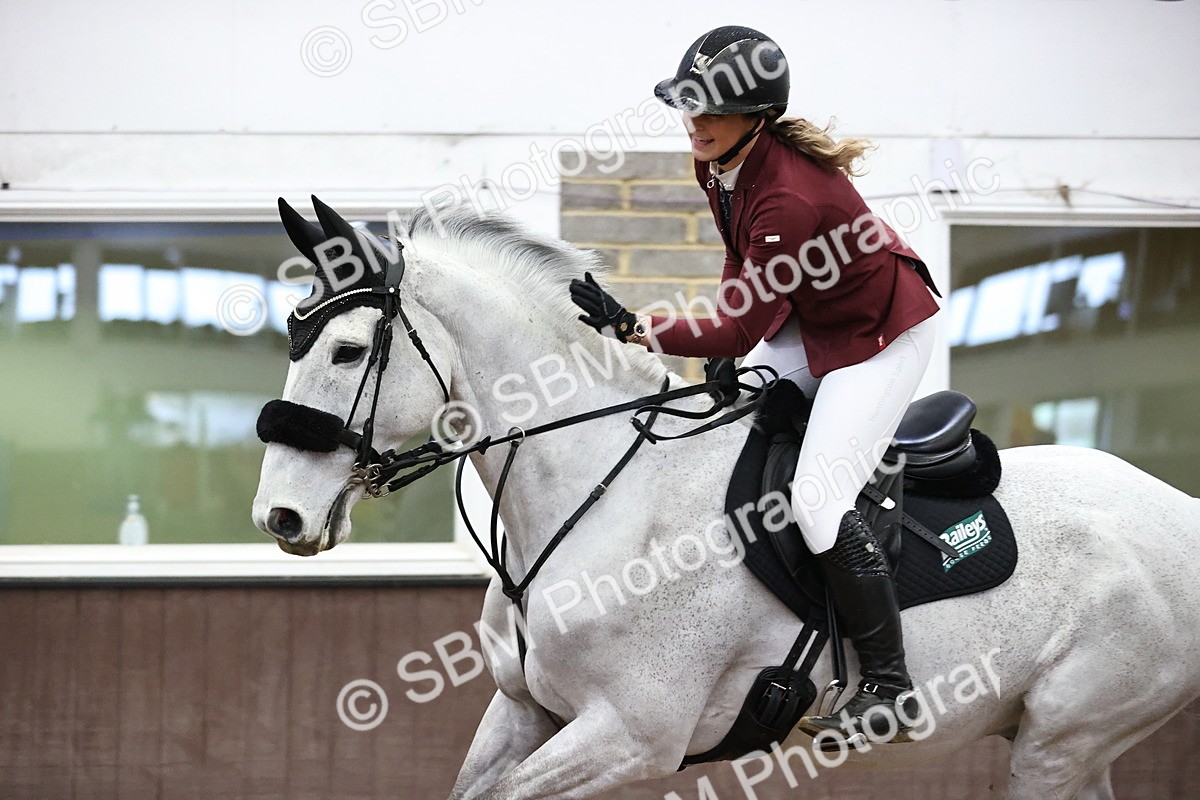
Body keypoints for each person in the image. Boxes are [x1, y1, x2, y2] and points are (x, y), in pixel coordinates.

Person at [569, 25, 941, 742]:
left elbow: (739, 328)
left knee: (819, 499)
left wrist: (636, 325)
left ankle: (892, 688)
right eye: (688, 105)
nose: (695, 122)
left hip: (882, 334)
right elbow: (740, 270)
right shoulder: (720, 164)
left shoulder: (789, 200)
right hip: (819, 317)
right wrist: (720, 344)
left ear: (757, 116)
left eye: (710, 109)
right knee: (733, 413)